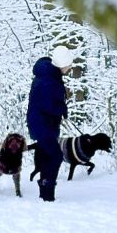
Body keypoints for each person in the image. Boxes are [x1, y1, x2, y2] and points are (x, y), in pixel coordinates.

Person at [26, 45, 76, 202]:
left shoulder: (50, 75)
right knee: (56, 156)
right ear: (63, 63)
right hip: (43, 123)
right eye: (69, 63)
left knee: (47, 154)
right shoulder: (49, 80)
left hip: (42, 123)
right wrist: (62, 108)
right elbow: (48, 105)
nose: (71, 66)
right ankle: (47, 188)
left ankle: (45, 191)